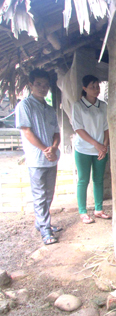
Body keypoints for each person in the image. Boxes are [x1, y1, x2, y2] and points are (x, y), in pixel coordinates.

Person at [16, 69, 62, 245]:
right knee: (39, 194)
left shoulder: (49, 109)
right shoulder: (25, 106)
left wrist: (54, 147)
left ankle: (41, 222)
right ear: (30, 85)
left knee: (49, 194)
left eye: (45, 85)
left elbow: (56, 132)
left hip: (51, 158)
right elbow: (26, 131)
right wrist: (45, 149)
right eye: (38, 84)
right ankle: (45, 228)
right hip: (36, 158)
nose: (43, 88)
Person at [71, 75, 111, 224]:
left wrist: (104, 146)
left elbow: (107, 127)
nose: (96, 89)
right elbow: (78, 129)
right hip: (83, 149)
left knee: (99, 179)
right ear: (84, 88)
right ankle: (83, 212)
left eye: (97, 86)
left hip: (101, 149)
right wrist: (97, 144)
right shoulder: (78, 105)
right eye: (92, 87)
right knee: (83, 180)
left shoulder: (103, 105)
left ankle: (99, 209)